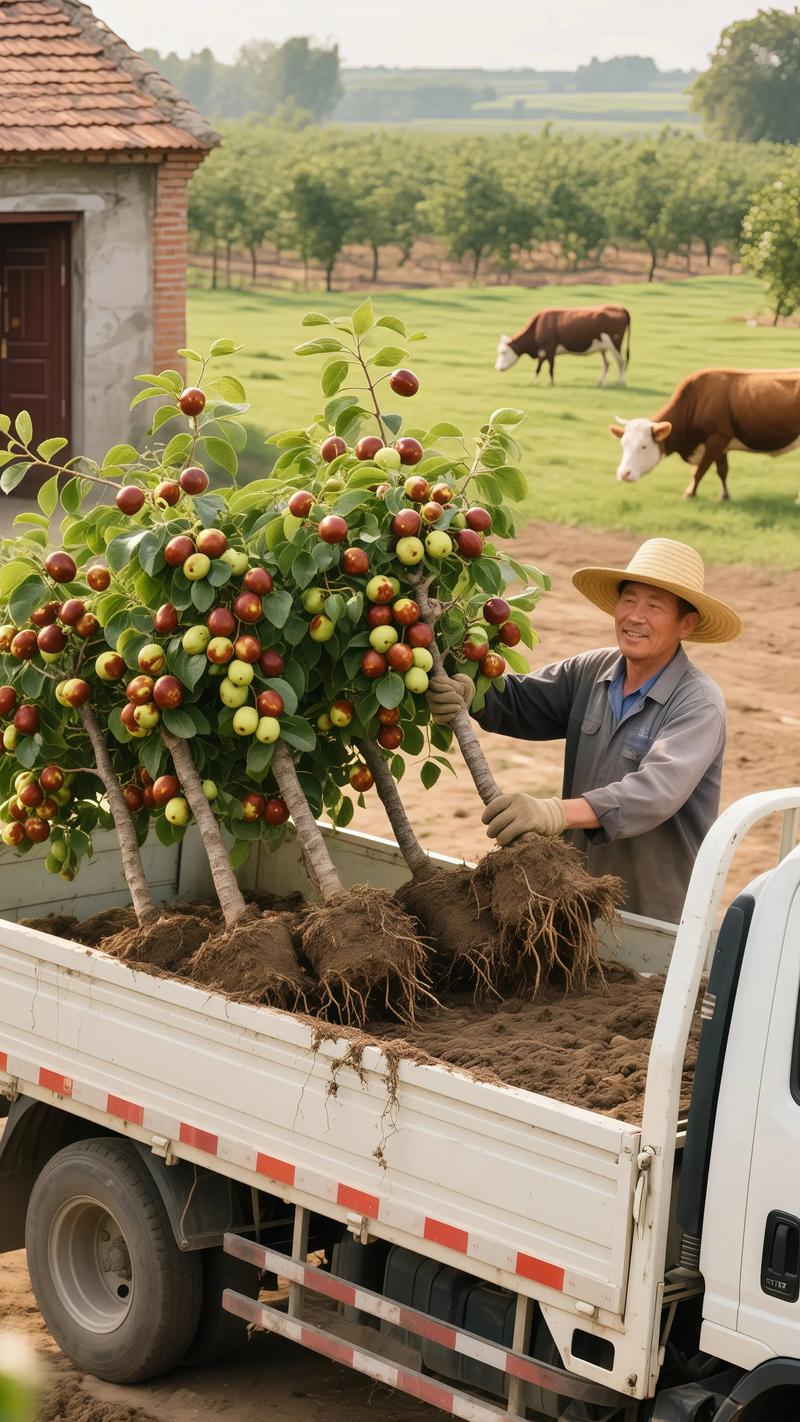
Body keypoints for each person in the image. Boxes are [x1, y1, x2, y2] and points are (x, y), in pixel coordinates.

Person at [427, 538, 742, 923]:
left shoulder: (698, 702)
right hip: (574, 897)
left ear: (686, 624)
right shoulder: (594, 671)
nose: (635, 616)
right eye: (629, 600)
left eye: (654, 606)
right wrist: (473, 691)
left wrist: (553, 812)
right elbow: (523, 701)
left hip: (653, 916)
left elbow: (655, 792)